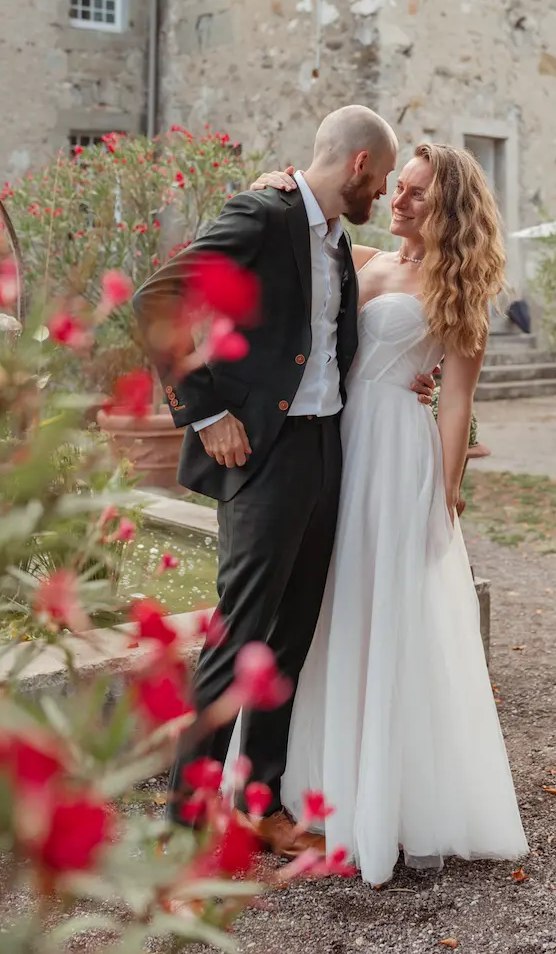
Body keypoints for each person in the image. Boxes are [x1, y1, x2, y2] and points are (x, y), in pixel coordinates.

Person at [132, 105, 435, 858]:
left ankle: (258, 805)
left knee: (289, 640)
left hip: (326, 450)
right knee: (238, 640)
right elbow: (157, 299)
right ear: (360, 166)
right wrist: (204, 413)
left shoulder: (334, 240)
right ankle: (186, 828)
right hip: (262, 458)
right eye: (385, 177)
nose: (387, 194)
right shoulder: (263, 217)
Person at [252, 144, 528, 886]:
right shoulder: (360, 252)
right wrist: (276, 182)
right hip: (332, 447)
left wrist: (440, 497)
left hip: (395, 460)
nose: (399, 201)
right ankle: (301, 776)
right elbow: (292, 226)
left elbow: (457, 401)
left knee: (382, 612)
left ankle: (379, 791)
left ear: (450, 209)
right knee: (325, 607)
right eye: (398, 188)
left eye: (417, 194)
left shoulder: (459, 288)